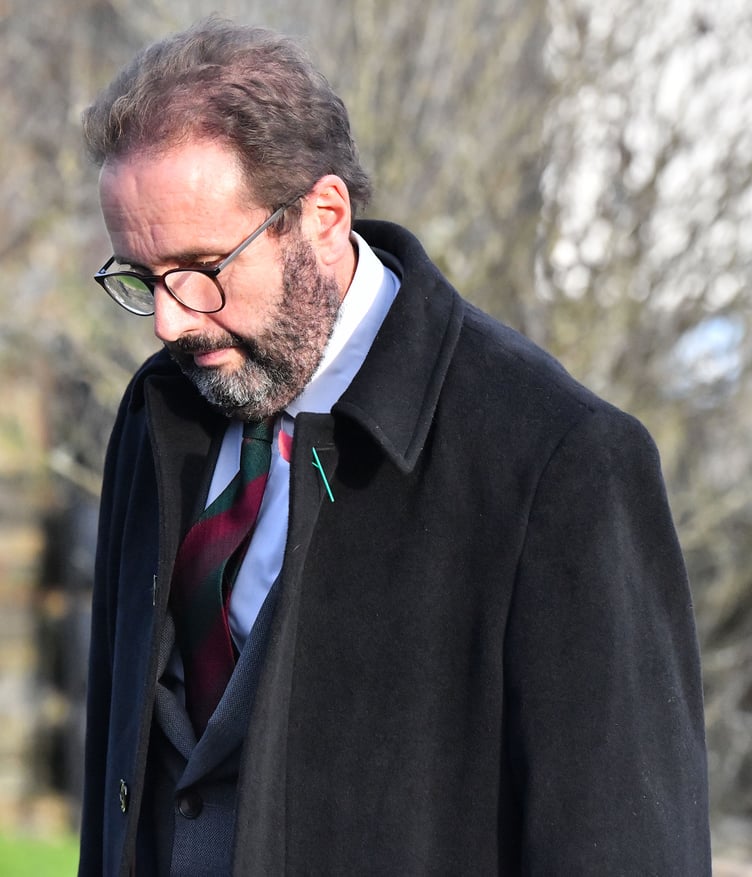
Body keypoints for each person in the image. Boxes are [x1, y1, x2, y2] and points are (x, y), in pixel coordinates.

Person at [77, 17, 711, 876]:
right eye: (140, 277)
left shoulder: (562, 460)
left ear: (323, 216)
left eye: (199, 266)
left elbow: (624, 849)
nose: (170, 319)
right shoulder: (159, 411)